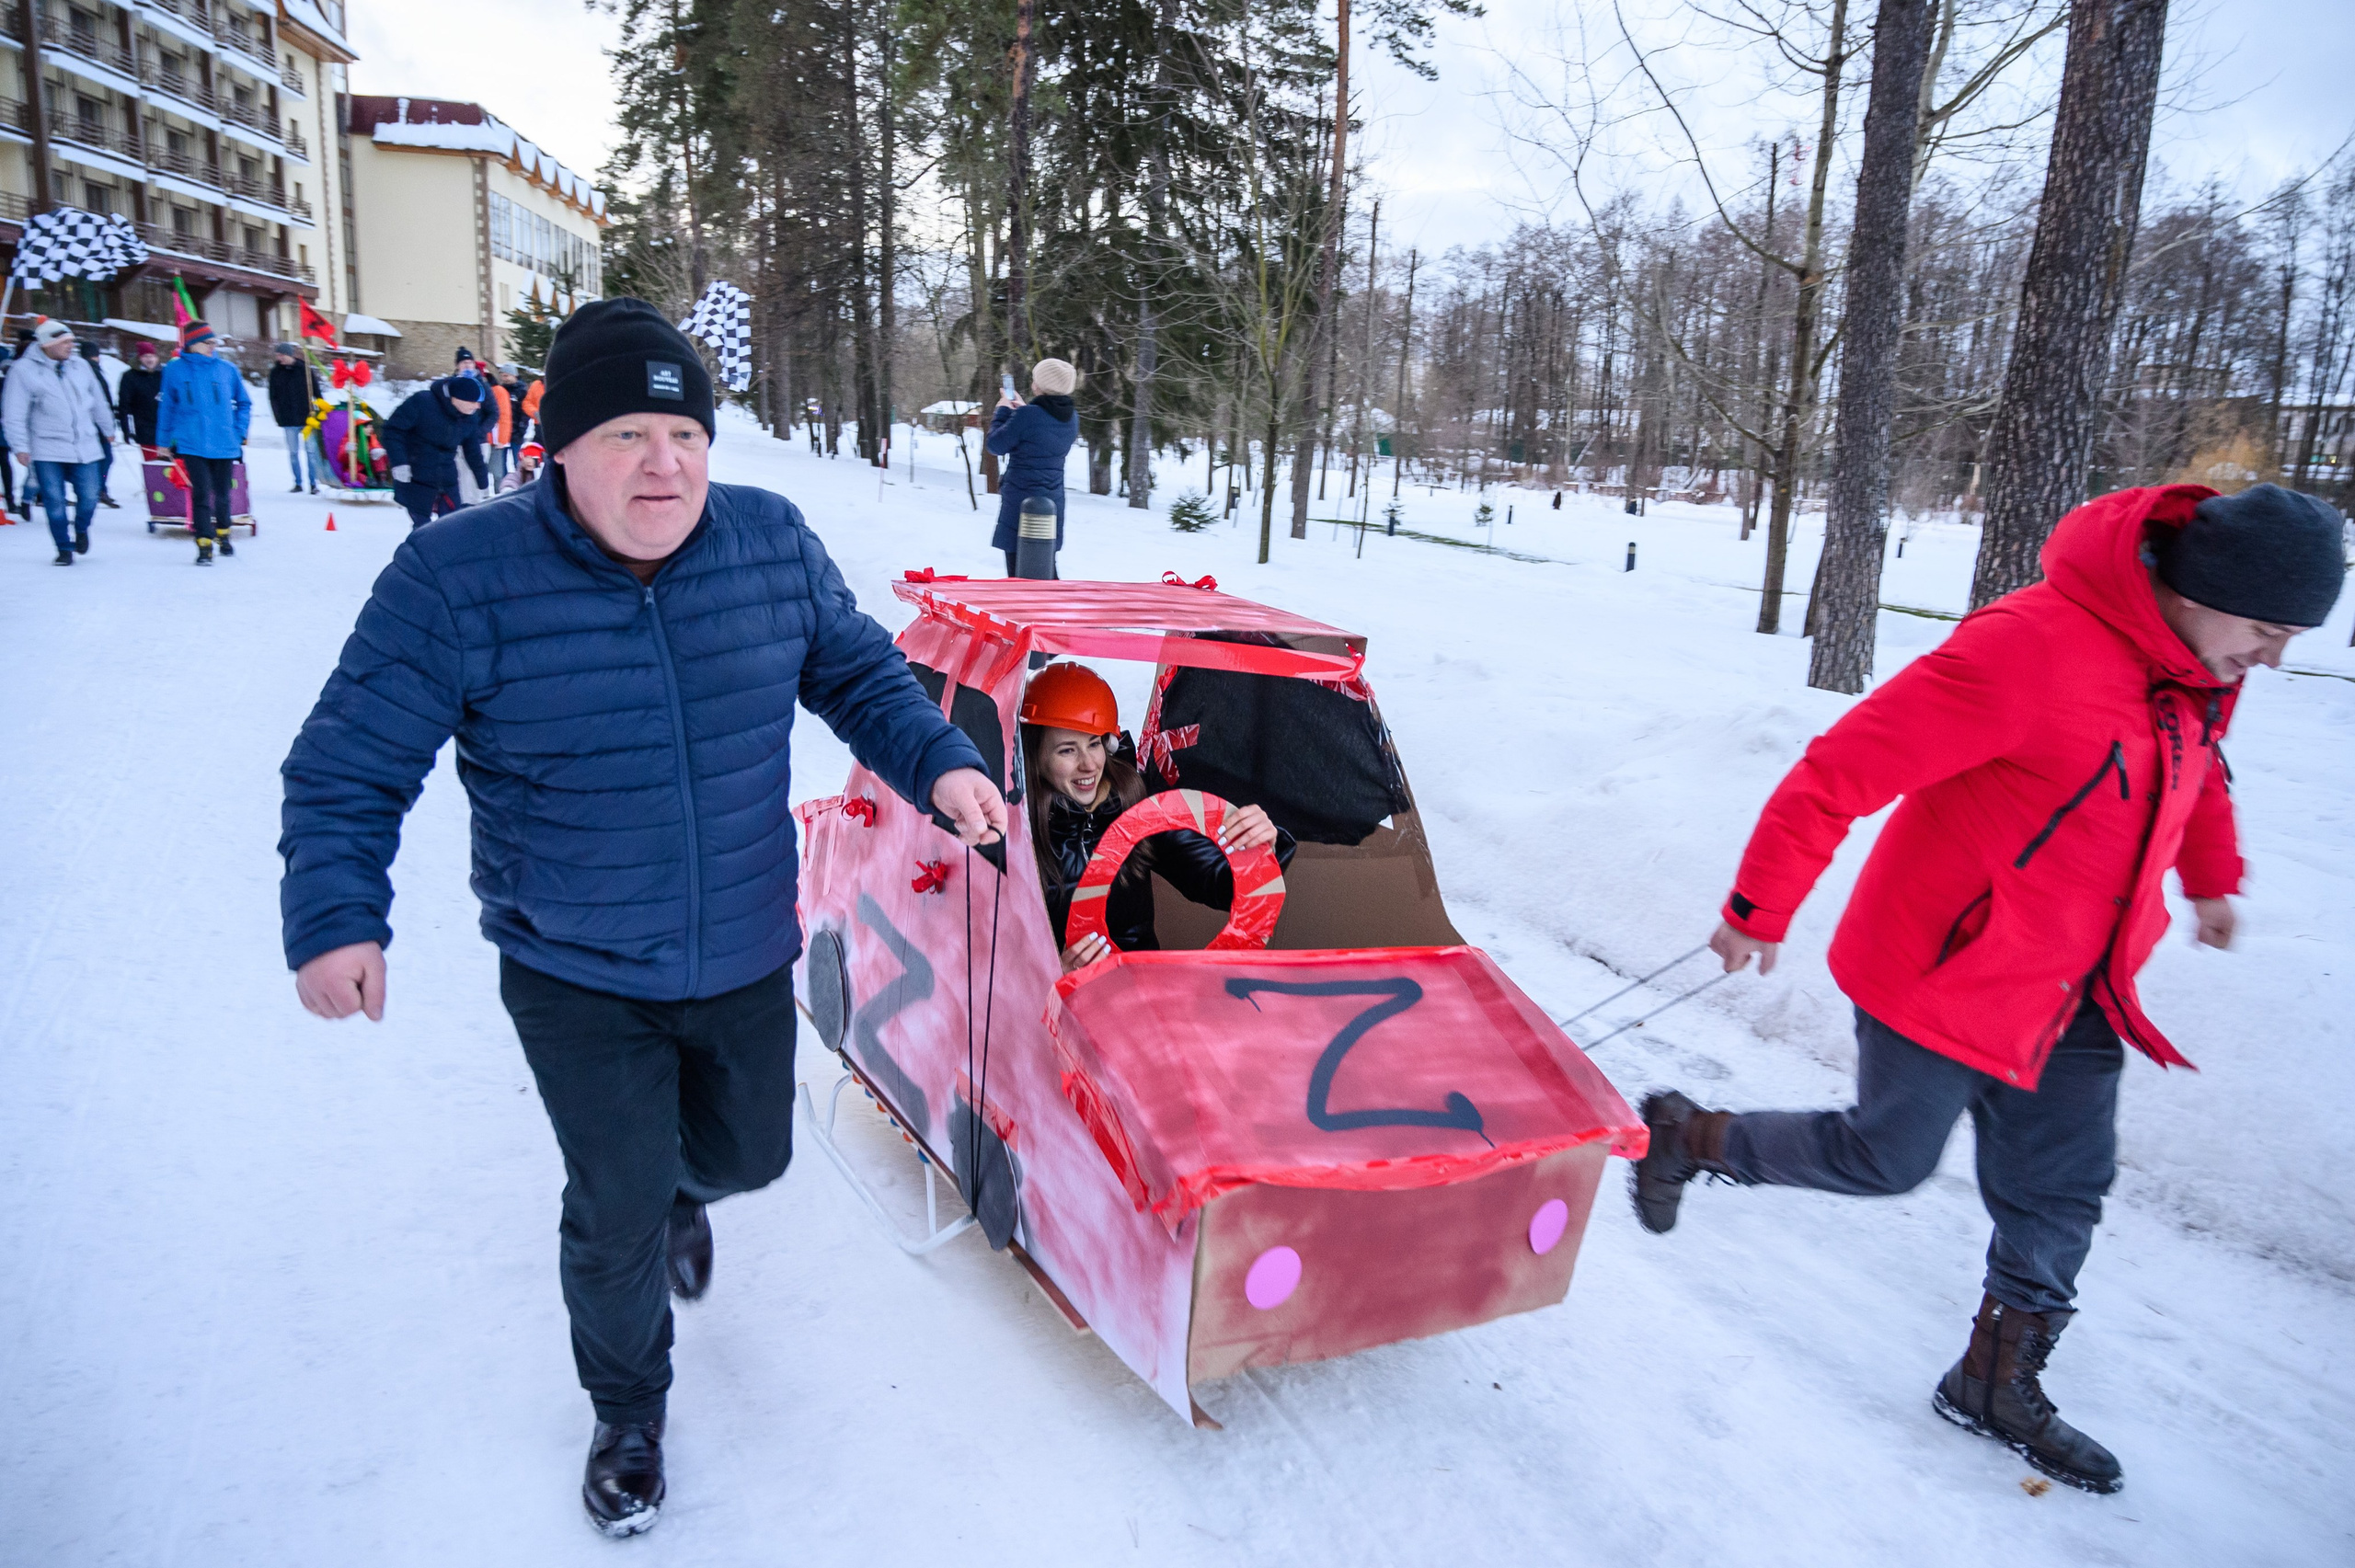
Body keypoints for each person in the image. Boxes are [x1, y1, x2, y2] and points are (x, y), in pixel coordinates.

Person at [277, 296, 1009, 1539]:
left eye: (683, 432)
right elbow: (349, 763)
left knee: (743, 1157)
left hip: (739, 940)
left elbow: (857, 671)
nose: (661, 462)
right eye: (625, 433)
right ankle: (630, 1412)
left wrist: (936, 758)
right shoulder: (458, 578)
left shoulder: (769, 544)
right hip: (574, 962)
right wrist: (338, 915)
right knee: (613, 1201)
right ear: (557, 446)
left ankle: (679, 1190)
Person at [1633, 482, 2347, 1496]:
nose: (2273, 657)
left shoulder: (2194, 668)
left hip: (2079, 987)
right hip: (1944, 967)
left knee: (2060, 1193)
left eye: (2291, 637)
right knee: (1885, 1158)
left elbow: (2193, 772)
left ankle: (1994, 1381)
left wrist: (2211, 880)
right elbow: (1842, 768)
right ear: (2199, 585)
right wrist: (1760, 904)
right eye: (2266, 629)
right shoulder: (2026, 650)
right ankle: (1689, 1137)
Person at [1019, 661, 1291, 971]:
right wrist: (1049, 974)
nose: (1089, 765)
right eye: (1067, 750)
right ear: (1033, 756)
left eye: (1094, 743)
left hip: (1138, 993)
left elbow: (1219, 885)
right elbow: (987, 959)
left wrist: (1258, 847)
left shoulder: (1133, 802)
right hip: (1051, 1007)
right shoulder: (1012, 828)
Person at [3, 317, 117, 566]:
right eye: (65, 342)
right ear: (47, 344)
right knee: (54, 501)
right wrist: (20, 447)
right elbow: (13, 413)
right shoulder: (23, 371)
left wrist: (108, 427)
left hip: (85, 445)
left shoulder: (80, 366)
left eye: (72, 342)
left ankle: (81, 528)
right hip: (47, 448)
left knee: (89, 496)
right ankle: (64, 547)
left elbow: (98, 400)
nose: (70, 346)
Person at [155, 319, 252, 566]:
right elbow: (167, 408)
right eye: (208, 342)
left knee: (222, 494)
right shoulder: (174, 370)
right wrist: (163, 440)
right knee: (200, 493)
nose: (213, 346)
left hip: (224, 443)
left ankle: (223, 533)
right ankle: (204, 544)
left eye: (214, 342)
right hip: (192, 443)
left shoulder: (227, 369)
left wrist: (239, 432)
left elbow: (244, 403)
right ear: (192, 343)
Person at [985, 359, 1080, 576]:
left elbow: (996, 445)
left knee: (1019, 571)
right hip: (1052, 500)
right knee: (1044, 566)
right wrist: (1022, 413)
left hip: (1022, 500)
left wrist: (1002, 412)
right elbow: (1041, 433)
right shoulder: (1072, 418)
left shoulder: (1027, 416)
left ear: (1040, 385)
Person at [380, 372, 490, 528]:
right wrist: (399, 463)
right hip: (417, 477)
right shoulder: (422, 402)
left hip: (447, 479)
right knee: (422, 530)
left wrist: (483, 482)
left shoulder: (469, 418)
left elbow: (473, 452)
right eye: (474, 401)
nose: (478, 406)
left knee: (451, 527)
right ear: (458, 398)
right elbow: (392, 430)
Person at [267, 341, 323, 493]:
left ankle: (313, 484)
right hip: (288, 420)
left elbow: (317, 392)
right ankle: (298, 483)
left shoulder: (305, 370)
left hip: (308, 419)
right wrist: (278, 417)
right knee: (293, 453)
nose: (279, 358)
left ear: (290, 354)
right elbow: (273, 397)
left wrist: (320, 411)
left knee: (311, 453)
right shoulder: (275, 372)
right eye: (278, 355)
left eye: (282, 355)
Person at [75, 338, 121, 508]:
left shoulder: (83, 370)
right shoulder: (93, 371)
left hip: (91, 423)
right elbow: (101, 400)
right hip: (97, 424)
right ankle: (99, 489)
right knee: (105, 459)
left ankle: (98, 489)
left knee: (101, 459)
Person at [117, 342, 164, 449]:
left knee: (174, 464)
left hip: (166, 430)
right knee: (154, 464)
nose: (150, 359)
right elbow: (124, 405)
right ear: (140, 358)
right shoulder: (130, 377)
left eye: (152, 356)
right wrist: (126, 431)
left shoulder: (163, 374)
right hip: (145, 430)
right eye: (146, 356)